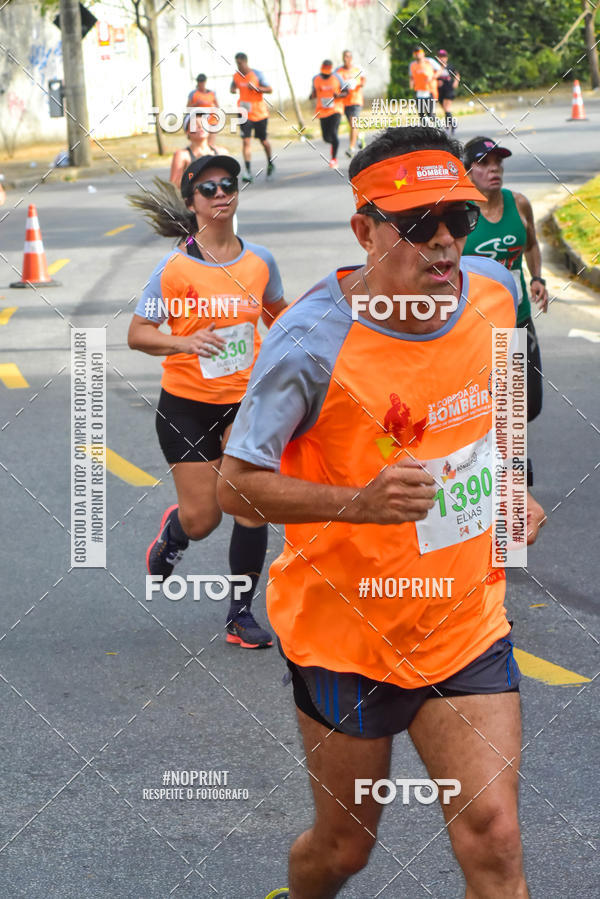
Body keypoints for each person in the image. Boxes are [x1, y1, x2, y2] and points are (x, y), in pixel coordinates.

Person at [218, 126, 546, 897]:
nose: (444, 245)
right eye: (419, 224)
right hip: (345, 637)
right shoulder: (308, 340)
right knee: (342, 851)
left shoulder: (493, 297)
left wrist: (510, 482)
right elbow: (235, 485)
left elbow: (499, 404)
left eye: (459, 221)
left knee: (495, 838)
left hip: (465, 625)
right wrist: (356, 504)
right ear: (364, 229)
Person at [127, 156, 286, 648]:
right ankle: (176, 532)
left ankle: (240, 614)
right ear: (193, 202)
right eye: (209, 188)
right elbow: (138, 334)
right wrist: (186, 343)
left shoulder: (259, 262)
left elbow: (282, 318)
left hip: (246, 403)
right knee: (204, 518)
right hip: (187, 404)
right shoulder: (173, 269)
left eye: (228, 185)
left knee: (249, 502)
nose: (221, 194)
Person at [463, 135, 548, 487]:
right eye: (483, 163)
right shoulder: (459, 214)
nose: (493, 169)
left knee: (530, 403)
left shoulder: (519, 204)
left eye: (498, 162)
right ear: (467, 171)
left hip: (519, 318)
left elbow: (530, 245)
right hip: (476, 325)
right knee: (491, 399)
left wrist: (538, 278)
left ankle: (507, 453)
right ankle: (503, 463)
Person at [230, 52, 274, 183]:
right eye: (236, 63)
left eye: (240, 63)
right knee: (245, 141)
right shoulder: (236, 75)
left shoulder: (257, 74)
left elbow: (270, 89)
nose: (238, 66)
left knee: (263, 141)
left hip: (259, 113)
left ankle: (270, 162)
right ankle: (248, 171)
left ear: (245, 62)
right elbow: (233, 86)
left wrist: (257, 88)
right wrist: (232, 89)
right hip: (244, 112)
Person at [169, 113, 229, 189]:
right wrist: (192, 172)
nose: (200, 126)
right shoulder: (182, 155)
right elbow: (173, 187)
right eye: (194, 124)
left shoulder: (222, 153)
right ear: (187, 131)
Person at [309, 61, 346, 169]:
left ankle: (334, 159)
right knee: (326, 138)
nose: (326, 75)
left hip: (336, 109)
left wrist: (338, 95)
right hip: (322, 111)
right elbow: (314, 92)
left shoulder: (337, 77)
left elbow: (346, 92)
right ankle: (334, 144)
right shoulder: (316, 79)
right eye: (324, 73)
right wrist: (311, 96)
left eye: (327, 73)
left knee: (334, 133)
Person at [335, 50, 365, 158]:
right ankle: (359, 136)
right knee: (352, 125)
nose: (345, 59)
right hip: (344, 101)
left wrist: (356, 84)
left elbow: (363, 81)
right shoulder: (338, 71)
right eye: (344, 56)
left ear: (351, 58)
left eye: (347, 57)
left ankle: (351, 148)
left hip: (356, 100)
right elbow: (336, 84)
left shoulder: (357, 69)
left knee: (353, 123)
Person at [186, 73, 219, 149]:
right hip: (200, 123)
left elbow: (217, 106)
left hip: (212, 121)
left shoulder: (212, 93)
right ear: (197, 83)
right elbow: (188, 108)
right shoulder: (193, 94)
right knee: (201, 144)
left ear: (205, 82)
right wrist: (196, 104)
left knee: (210, 144)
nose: (201, 84)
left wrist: (213, 107)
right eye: (199, 82)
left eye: (202, 82)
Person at [409, 46, 438, 124]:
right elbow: (411, 77)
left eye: (419, 53)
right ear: (413, 55)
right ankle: (425, 132)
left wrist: (432, 77)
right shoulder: (412, 65)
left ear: (423, 53)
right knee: (421, 115)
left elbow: (439, 70)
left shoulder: (430, 61)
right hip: (419, 92)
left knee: (430, 115)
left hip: (430, 91)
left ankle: (440, 127)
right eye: (416, 53)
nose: (417, 55)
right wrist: (411, 83)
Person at [436, 49, 460, 133]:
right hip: (439, 91)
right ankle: (449, 124)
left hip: (449, 89)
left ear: (446, 58)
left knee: (447, 108)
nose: (442, 58)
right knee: (445, 109)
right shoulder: (436, 67)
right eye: (440, 57)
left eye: (443, 57)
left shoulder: (450, 66)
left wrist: (456, 82)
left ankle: (452, 125)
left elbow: (457, 74)